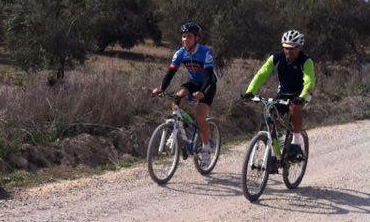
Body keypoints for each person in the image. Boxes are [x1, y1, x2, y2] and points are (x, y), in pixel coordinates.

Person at [242, 30, 316, 172]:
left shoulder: (306, 61)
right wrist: (250, 91)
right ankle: (277, 151)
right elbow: (262, 73)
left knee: (295, 108)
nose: (288, 51)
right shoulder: (277, 57)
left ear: (300, 47)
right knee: (270, 114)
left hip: (301, 93)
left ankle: (295, 142)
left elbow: (309, 81)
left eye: (292, 48)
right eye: (286, 47)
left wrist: (302, 96)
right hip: (283, 93)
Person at [152, 22, 217, 166]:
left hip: (208, 85)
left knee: (200, 116)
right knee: (177, 96)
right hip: (193, 82)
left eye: (188, 36)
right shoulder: (180, 53)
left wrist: (201, 92)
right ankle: (176, 130)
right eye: (183, 37)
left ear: (196, 38)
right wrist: (161, 88)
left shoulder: (206, 52)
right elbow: (171, 72)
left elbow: (209, 76)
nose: (185, 39)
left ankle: (206, 148)